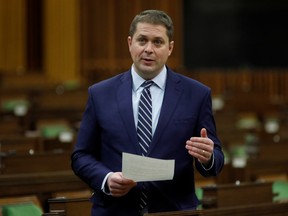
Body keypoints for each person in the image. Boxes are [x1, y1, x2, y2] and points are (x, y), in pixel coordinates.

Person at [71, 9, 224, 216]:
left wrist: (208, 158)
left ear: (170, 48)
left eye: (158, 42)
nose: (148, 49)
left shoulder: (196, 94)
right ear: (129, 43)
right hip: (115, 210)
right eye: (142, 40)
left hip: (173, 210)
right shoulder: (100, 94)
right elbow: (81, 156)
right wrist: (106, 179)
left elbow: (216, 160)